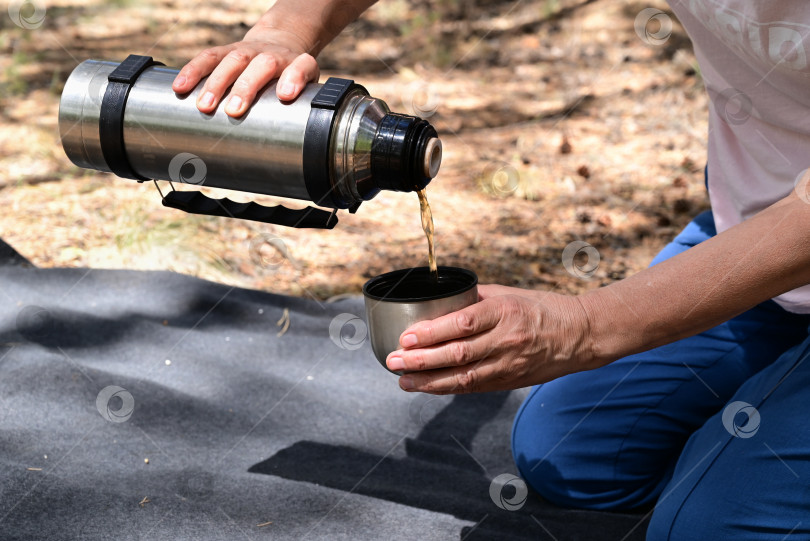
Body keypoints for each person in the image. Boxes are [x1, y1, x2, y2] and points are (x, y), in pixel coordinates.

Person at [174, 1, 810, 538]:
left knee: (710, 528)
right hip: (758, 236)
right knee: (571, 454)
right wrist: (285, 31)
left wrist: (588, 326)